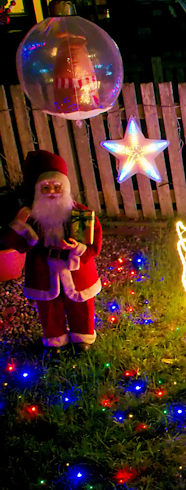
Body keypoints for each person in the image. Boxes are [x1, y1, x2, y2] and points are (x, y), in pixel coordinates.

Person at [0, 150, 102, 351]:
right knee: (49, 306)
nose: (52, 192)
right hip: (44, 269)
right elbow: (17, 244)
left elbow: (93, 242)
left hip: (76, 270)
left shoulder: (79, 213)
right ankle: (55, 338)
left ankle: (82, 337)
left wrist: (78, 248)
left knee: (81, 304)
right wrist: (18, 225)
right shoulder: (31, 216)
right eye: (46, 188)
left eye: (57, 187)